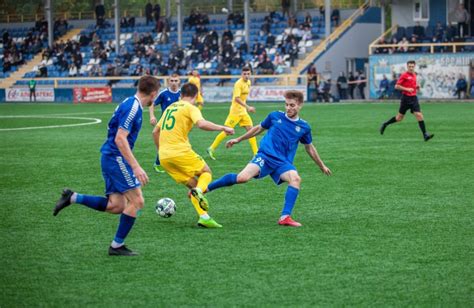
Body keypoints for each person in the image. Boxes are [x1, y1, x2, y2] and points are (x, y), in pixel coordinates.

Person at [53, 76, 160, 256]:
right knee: (137, 201)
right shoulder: (133, 107)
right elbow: (120, 138)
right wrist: (135, 166)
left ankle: (72, 197)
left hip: (111, 157)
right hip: (115, 157)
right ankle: (117, 246)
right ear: (154, 93)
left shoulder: (130, 103)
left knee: (116, 206)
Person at [206, 90, 332, 227]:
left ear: (300, 105)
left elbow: (309, 148)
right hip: (265, 156)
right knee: (242, 178)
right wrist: (238, 139)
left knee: (295, 179)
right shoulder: (275, 116)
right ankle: (206, 189)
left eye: (292, 105)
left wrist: (321, 165)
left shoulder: (304, 127)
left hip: (282, 163)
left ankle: (285, 217)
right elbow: (258, 129)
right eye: (287, 105)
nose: (288, 108)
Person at [152, 83, 234, 228]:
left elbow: (155, 132)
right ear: (196, 96)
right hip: (180, 151)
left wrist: (161, 151)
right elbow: (201, 124)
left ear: (180, 94)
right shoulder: (190, 107)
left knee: (195, 186)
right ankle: (198, 192)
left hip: (164, 157)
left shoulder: (170, 108)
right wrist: (222, 127)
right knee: (206, 172)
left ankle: (204, 217)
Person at [207, 67, 258, 160]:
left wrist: (245, 108)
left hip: (243, 112)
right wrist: (248, 107)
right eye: (244, 74)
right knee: (227, 131)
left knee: (251, 131)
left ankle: (256, 153)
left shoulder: (249, 82)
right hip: (235, 112)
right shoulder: (238, 84)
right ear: (241, 74)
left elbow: (243, 97)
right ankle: (211, 148)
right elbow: (237, 98)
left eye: (248, 74)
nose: (246, 76)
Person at [380, 60, 434, 141]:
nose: (411, 68)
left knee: (419, 115)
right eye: (409, 66)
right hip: (405, 98)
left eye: (412, 66)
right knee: (399, 118)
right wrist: (407, 89)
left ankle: (425, 135)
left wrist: (417, 87)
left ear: (414, 66)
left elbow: (413, 85)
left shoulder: (415, 74)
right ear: (407, 66)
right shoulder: (404, 75)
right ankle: (385, 124)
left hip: (414, 98)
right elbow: (396, 86)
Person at [149, 74, 182, 173]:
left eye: (176, 80)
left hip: (178, 123)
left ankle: (174, 162)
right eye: (172, 80)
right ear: (168, 82)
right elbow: (151, 104)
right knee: (164, 144)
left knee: (178, 143)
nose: (174, 83)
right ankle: (158, 163)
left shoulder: (182, 94)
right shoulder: (164, 93)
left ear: (179, 81)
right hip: (165, 123)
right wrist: (152, 116)